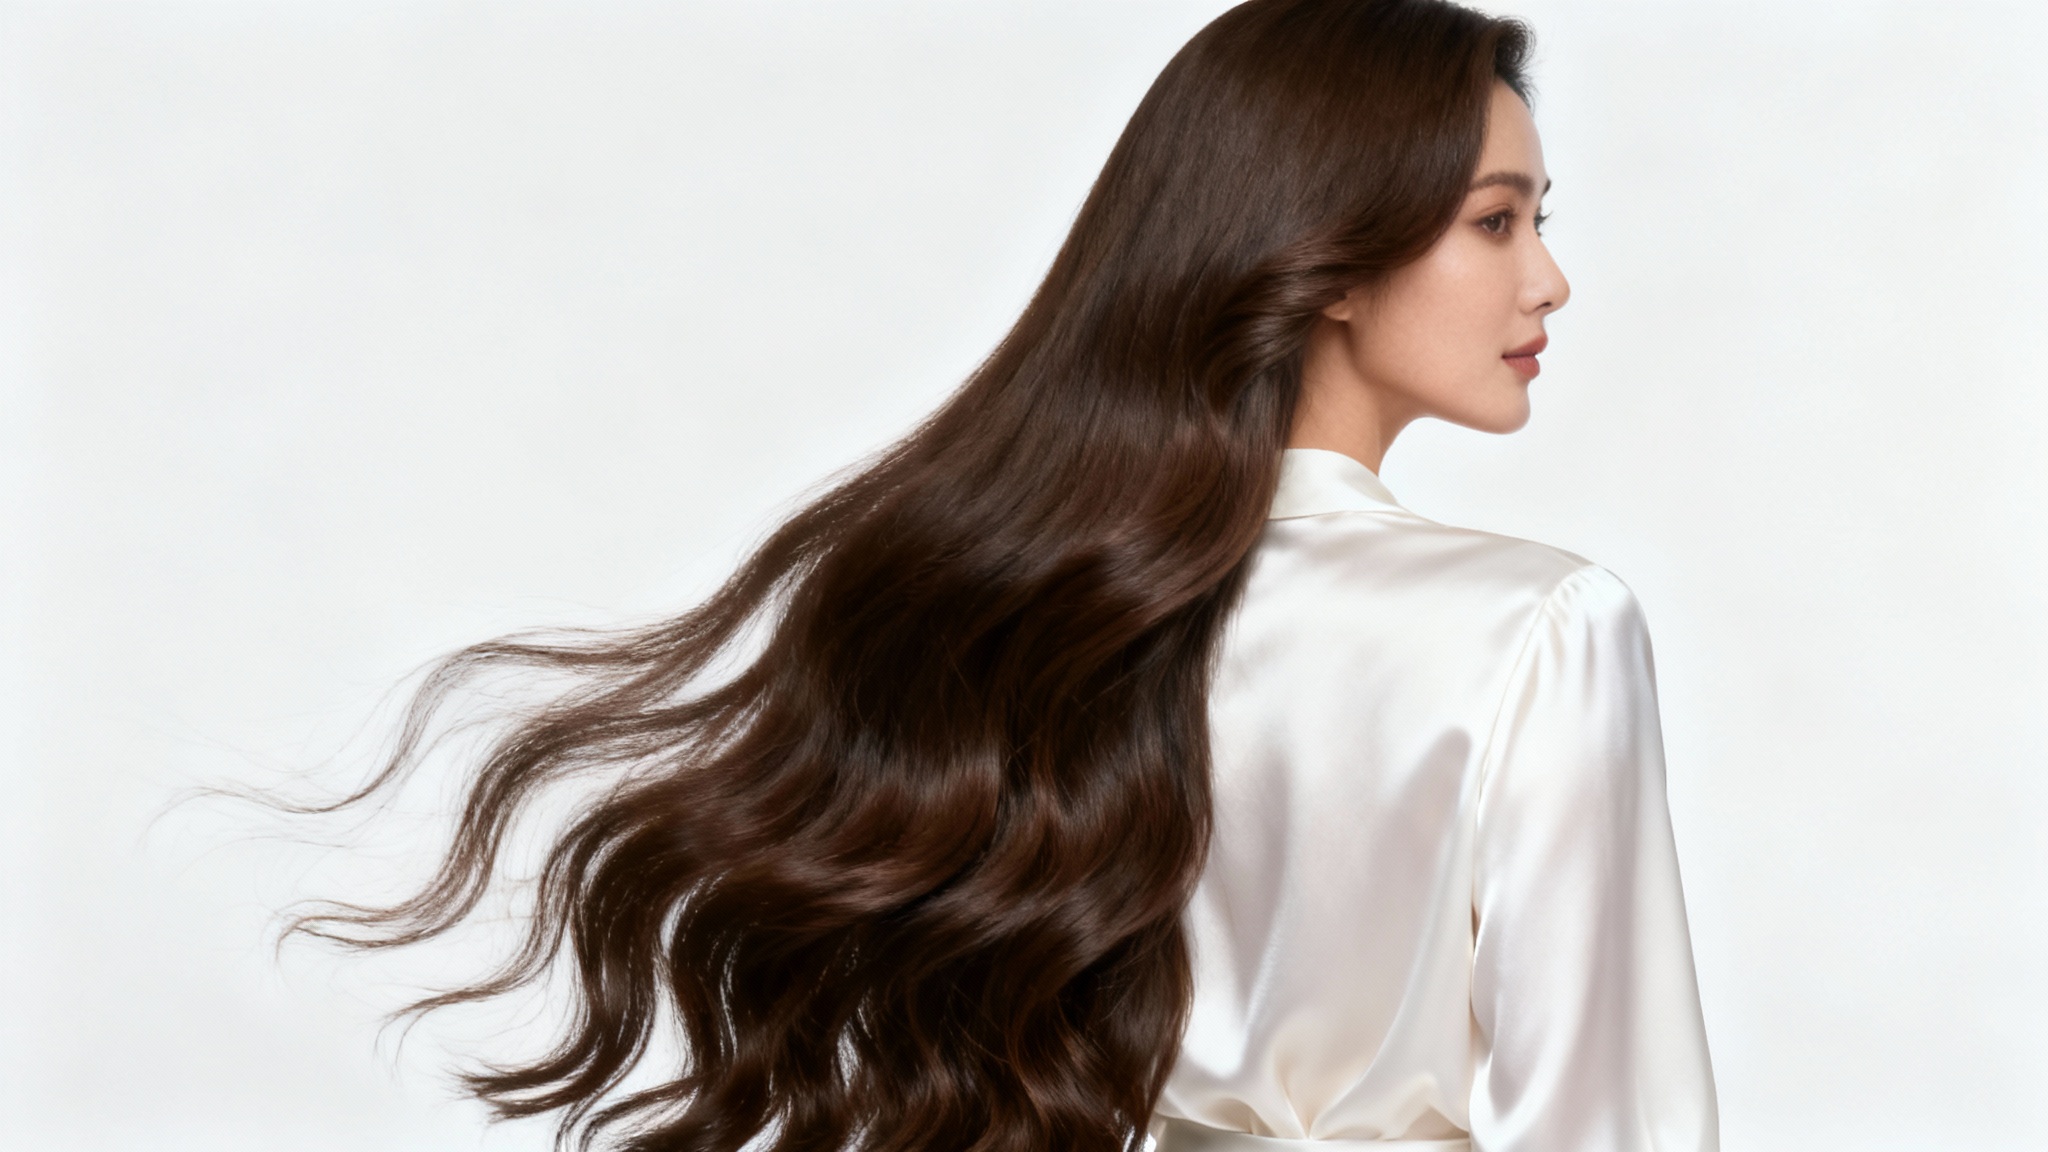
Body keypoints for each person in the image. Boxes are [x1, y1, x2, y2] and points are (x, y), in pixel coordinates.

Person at [299, 1, 1718, 1150]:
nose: (1550, 281)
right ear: (1333, 252)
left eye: (1541, 220)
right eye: (1497, 220)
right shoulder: (1543, 630)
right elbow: (1612, 1128)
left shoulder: (1053, 607)